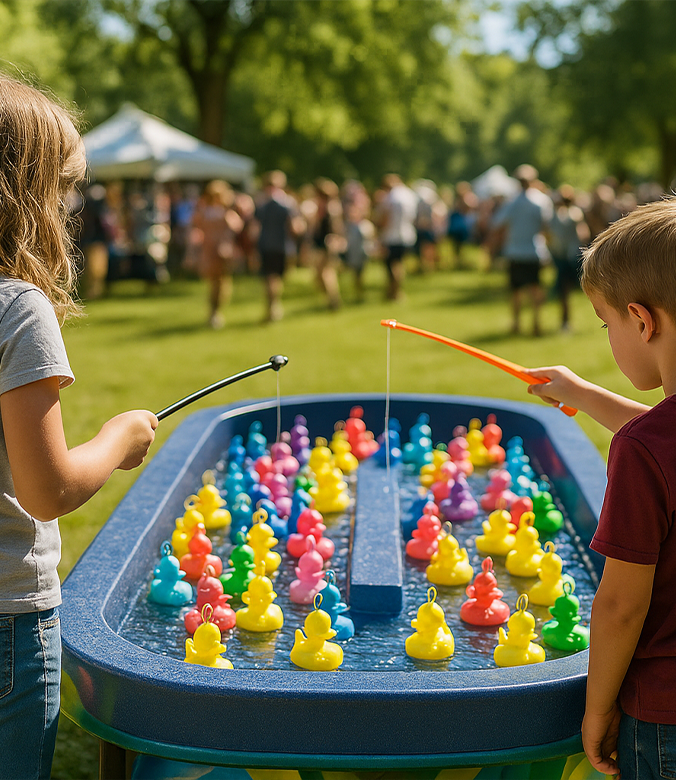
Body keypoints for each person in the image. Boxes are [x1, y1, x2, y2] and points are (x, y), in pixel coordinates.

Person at [0, 76, 158, 780]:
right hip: (8, 620)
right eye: (65, 187)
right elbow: (49, 490)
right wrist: (118, 439)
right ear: (25, 192)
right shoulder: (18, 308)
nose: (71, 209)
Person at [524, 199, 676, 779]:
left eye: (605, 323)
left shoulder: (643, 451)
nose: (609, 335)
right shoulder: (652, 444)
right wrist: (583, 394)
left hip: (663, 719)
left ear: (642, 320)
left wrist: (597, 707)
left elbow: (619, 606)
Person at [491, 164, 553, 336]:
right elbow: (547, 227)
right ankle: (536, 323)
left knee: (516, 290)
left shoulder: (512, 202)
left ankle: (516, 324)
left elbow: (496, 223)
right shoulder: (541, 201)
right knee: (535, 288)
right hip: (534, 250)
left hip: (515, 251)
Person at [191, 180, 243, 328]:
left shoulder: (227, 212)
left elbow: (237, 227)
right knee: (212, 281)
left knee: (221, 281)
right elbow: (195, 229)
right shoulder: (204, 212)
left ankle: (216, 311)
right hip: (208, 250)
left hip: (223, 250)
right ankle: (213, 311)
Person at [253, 170, 300, 322]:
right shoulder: (288, 203)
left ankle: (272, 307)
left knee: (270, 279)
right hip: (281, 246)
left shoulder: (261, 203)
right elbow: (295, 228)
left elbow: (253, 229)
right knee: (275, 279)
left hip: (267, 245)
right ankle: (274, 307)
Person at [548, 184, 590, 332]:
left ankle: (565, 321)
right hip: (571, 255)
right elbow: (583, 234)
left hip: (562, 256)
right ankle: (566, 321)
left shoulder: (556, 215)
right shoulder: (575, 213)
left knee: (563, 291)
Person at [374, 174, 418, 301]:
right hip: (407, 235)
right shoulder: (409, 195)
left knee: (391, 266)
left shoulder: (390, 197)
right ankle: (396, 291)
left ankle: (394, 292)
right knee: (399, 264)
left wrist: (378, 228)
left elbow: (385, 218)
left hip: (391, 236)